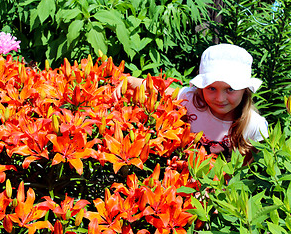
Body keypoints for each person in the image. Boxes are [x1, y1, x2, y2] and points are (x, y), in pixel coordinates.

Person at [113, 43, 269, 161]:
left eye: (230, 89)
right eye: (211, 88)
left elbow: (246, 169)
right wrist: (130, 81)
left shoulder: (254, 126)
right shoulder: (192, 99)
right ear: (201, 87)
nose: (220, 99)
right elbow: (154, 88)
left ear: (245, 89)